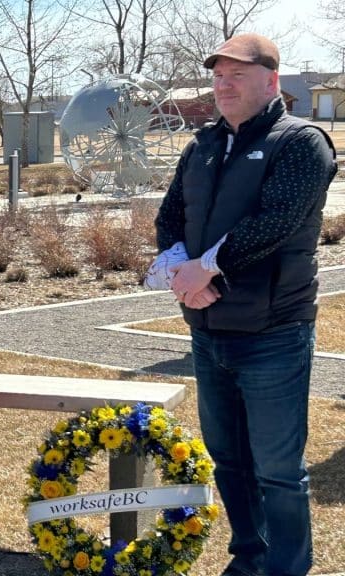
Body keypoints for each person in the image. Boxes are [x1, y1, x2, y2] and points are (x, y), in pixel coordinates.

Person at [154, 34, 336, 576]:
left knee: (279, 470)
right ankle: (250, 558)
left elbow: (276, 222)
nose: (223, 84)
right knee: (229, 460)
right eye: (217, 75)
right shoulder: (203, 144)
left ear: (271, 80)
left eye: (237, 73)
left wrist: (206, 268)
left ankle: (286, 568)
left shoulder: (302, 142)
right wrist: (184, 275)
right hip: (209, 331)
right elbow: (170, 219)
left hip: (274, 332)